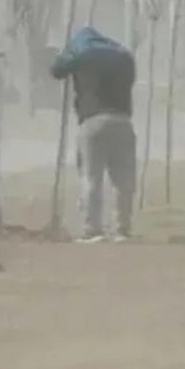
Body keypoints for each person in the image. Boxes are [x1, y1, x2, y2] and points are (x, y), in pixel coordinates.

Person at [51, 27, 136, 243]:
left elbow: (56, 70)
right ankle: (122, 230)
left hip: (93, 121)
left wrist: (67, 55)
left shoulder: (82, 55)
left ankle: (93, 229)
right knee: (123, 180)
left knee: (91, 178)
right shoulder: (125, 57)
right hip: (123, 121)